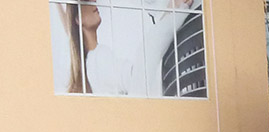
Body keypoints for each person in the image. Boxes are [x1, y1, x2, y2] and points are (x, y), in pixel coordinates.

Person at [57, 0, 197, 96]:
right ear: (77, 19)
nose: (94, 1)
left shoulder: (92, 63)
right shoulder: (98, 58)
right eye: (86, 1)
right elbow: (139, 78)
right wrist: (175, 12)